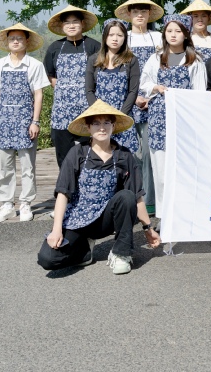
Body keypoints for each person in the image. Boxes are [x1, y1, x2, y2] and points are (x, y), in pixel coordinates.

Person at [37, 100, 161, 274]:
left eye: (106, 123)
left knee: (126, 196)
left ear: (113, 126)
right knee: (48, 259)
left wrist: (148, 229)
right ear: (88, 128)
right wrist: (56, 230)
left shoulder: (124, 155)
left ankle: (121, 253)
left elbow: (137, 195)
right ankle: (84, 251)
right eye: (96, 123)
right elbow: (63, 193)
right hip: (78, 219)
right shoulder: (77, 153)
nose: (102, 128)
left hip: (106, 219)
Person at [140, 14, 209, 204]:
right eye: (169, 31)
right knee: (161, 170)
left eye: (178, 31)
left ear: (186, 34)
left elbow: (199, 93)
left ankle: (184, 210)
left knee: (183, 168)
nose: (173, 35)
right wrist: (156, 87)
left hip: (184, 119)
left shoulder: (195, 60)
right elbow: (144, 83)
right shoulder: (156, 58)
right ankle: (163, 213)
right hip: (159, 118)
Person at [0, 23, 49, 223]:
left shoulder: (34, 65)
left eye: (19, 38)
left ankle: (26, 203)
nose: (15, 41)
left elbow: (38, 95)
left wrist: (35, 121)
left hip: (25, 121)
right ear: (7, 42)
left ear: (27, 41)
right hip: (4, 120)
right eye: (12, 38)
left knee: (28, 166)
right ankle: (6, 204)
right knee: (5, 166)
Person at [114, 0, 164, 215]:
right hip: (126, 99)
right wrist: (133, 97)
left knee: (150, 153)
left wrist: (150, 96)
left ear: (149, 14)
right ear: (129, 14)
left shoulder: (158, 37)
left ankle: (150, 199)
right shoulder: (122, 37)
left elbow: (162, 69)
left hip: (153, 101)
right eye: (135, 11)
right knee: (129, 152)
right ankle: (126, 198)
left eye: (144, 11)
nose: (140, 15)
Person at [44, 5, 100, 168]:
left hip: (88, 109)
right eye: (67, 22)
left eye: (75, 21)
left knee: (91, 151)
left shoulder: (93, 46)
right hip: (62, 110)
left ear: (82, 23)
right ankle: (66, 182)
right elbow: (50, 75)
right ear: (62, 26)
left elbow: (101, 73)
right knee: (63, 155)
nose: (71, 25)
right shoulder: (55, 47)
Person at [85, 19, 142, 153]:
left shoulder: (131, 60)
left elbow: (133, 91)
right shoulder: (94, 60)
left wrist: (120, 116)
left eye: (119, 35)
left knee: (124, 156)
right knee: (102, 154)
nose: (115, 39)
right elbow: (89, 90)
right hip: (100, 119)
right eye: (111, 35)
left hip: (123, 116)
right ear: (105, 36)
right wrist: (99, 114)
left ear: (125, 38)